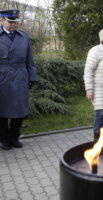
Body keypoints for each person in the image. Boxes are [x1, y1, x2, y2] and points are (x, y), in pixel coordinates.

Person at [0, 10, 37, 150]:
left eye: (15, 22)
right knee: (1, 111)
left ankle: (14, 137)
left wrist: (32, 76)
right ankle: (4, 139)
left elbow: (30, 60)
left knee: (19, 109)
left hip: (20, 77)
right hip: (2, 78)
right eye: (10, 22)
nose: (13, 24)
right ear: (2, 20)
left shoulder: (23, 37)